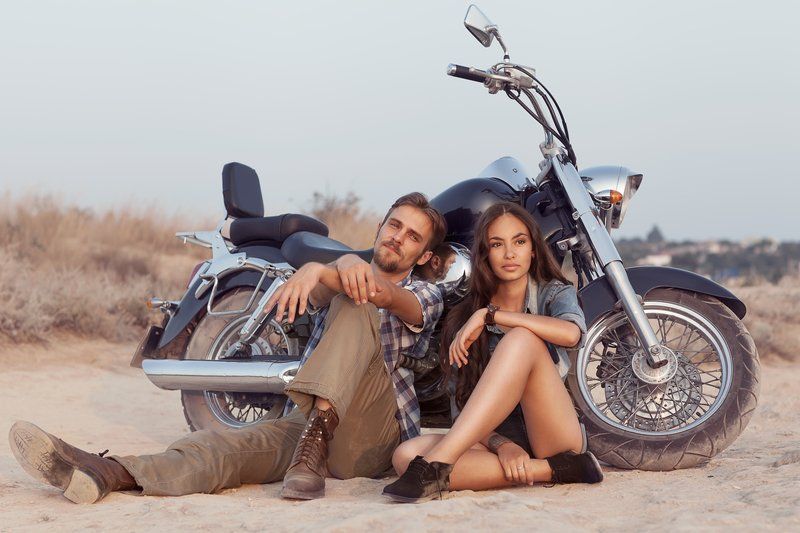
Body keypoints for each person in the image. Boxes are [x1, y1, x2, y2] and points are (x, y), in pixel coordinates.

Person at [9, 192, 446, 503]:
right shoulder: (335, 281)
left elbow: (386, 298)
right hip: (310, 429)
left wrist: (331, 264)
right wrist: (323, 269)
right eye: (394, 225)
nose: (397, 237)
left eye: (412, 237)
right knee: (226, 448)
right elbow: (326, 288)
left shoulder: (426, 295)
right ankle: (108, 472)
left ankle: (313, 443)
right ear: (380, 226)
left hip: (372, 439)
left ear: (425, 256)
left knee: (359, 298)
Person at [383, 202, 603, 503]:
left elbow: (571, 334)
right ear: (484, 254)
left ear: (534, 249)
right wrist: (502, 445)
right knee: (405, 455)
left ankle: (437, 466)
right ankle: (558, 470)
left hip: (554, 433)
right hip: (493, 442)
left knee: (522, 339)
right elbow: (462, 405)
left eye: (520, 242)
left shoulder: (553, 293)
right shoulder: (462, 319)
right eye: (497, 244)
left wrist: (492, 316)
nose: (510, 254)